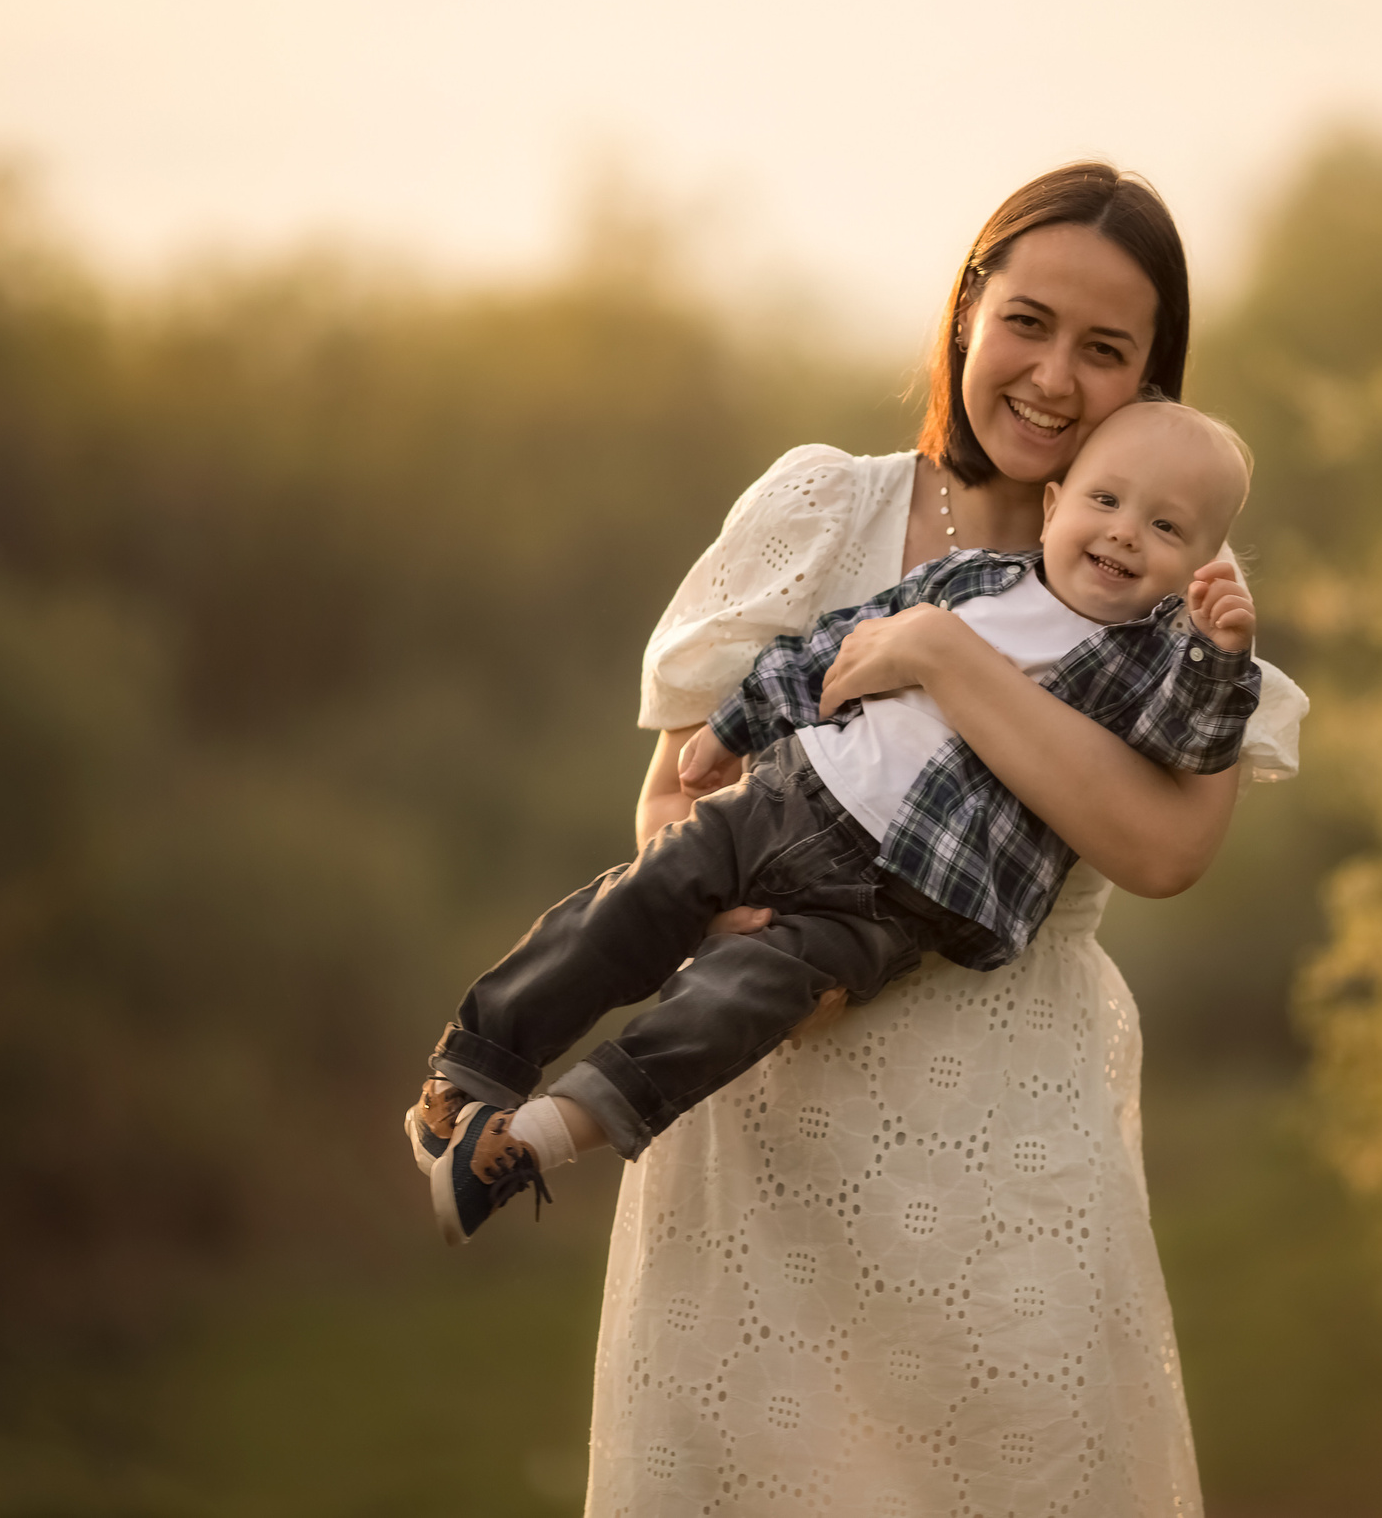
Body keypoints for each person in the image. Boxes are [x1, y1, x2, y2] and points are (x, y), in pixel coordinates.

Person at [590, 163, 1303, 1516]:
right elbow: (675, 794)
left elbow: (1163, 849)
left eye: (1105, 349)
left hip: (1009, 1158)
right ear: (968, 310)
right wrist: (763, 956)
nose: (1052, 376)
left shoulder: (1168, 606)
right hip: (766, 1127)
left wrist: (939, 653)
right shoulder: (823, 510)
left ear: (1151, 381)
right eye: (1027, 321)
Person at [408, 402, 1262, 1244]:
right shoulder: (974, 579)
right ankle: (470, 1073)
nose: (1124, 533)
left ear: (1197, 567)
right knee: (630, 901)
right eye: (1105, 501)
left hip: (896, 899)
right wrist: (731, 726)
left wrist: (1218, 656)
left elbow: (1186, 742)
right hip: (789, 798)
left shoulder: (1151, 668)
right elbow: (832, 648)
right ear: (1054, 505)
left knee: (732, 1004)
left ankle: (534, 1140)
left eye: (1165, 527)